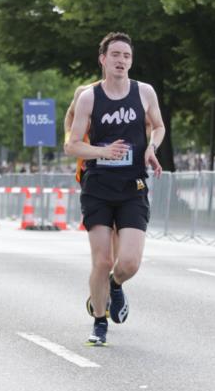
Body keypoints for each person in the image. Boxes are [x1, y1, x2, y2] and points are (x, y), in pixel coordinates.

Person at [65, 32, 164, 346]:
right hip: (98, 187)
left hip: (133, 186)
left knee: (129, 263)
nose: (122, 60)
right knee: (102, 259)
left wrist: (151, 148)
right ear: (103, 60)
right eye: (116, 55)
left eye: (127, 55)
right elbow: (72, 145)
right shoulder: (89, 97)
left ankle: (114, 286)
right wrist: (101, 152)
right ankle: (99, 322)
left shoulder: (144, 92)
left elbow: (159, 126)